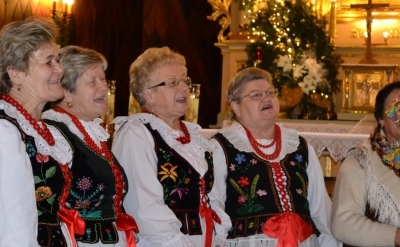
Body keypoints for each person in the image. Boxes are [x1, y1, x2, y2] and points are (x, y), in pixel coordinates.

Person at [112, 46, 231, 247]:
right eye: (172, 83)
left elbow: (213, 198)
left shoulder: (194, 137)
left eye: (185, 80)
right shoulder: (137, 133)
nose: (184, 87)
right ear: (148, 95)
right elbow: (144, 206)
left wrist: (219, 236)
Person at [210, 67, 341, 247]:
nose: (266, 98)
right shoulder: (221, 146)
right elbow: (214, 203)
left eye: (270, 92)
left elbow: (321, 209)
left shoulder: (299, 145)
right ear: (236, 107)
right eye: (256, 95)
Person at [42, 45, 138, 246]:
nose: (103, 87)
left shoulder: (90, 132)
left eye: (102, 79)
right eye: (92, 82)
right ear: (66, 92)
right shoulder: (54, 133)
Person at [0, 17, 78, 246]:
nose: (60, 70)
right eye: (48, 62)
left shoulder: (39, 129)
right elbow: (13, 221)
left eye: (58, 60)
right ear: (16, 74)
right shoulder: (5, 132)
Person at [332, 81, 400, 246]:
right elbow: (343, 224)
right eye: (395, 109)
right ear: (381, 119)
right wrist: (395, 237)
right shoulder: (360, 161)